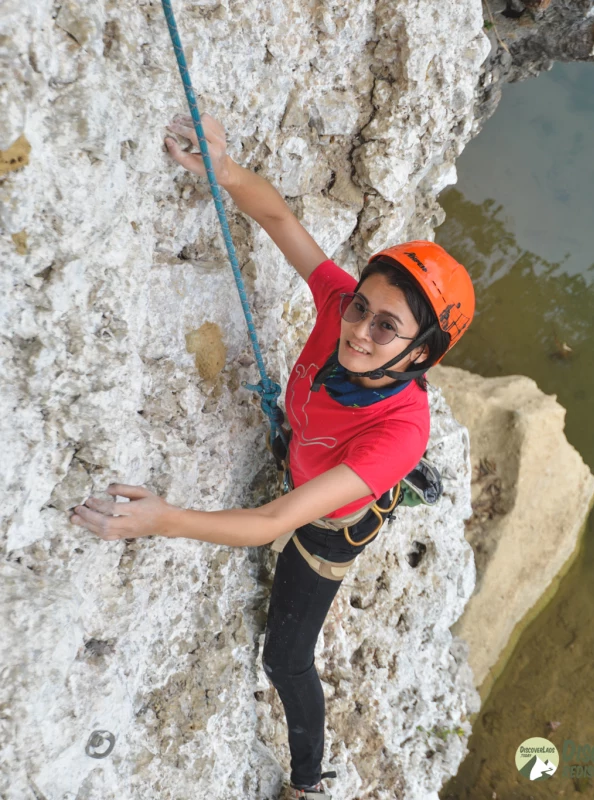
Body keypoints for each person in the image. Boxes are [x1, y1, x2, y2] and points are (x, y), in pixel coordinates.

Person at [68, 113, 474, 799]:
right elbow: (282, 222)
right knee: (325, 440)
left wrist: (161, 519)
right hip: (320, 454)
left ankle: (308, 783)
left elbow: (270, 523)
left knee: (285, 658)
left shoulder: (400, 430)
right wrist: (223, 170)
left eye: (386, 327)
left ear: (422, 355)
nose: (358, 330)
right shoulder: (340, 309)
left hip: (328, 527)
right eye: (361, 309)